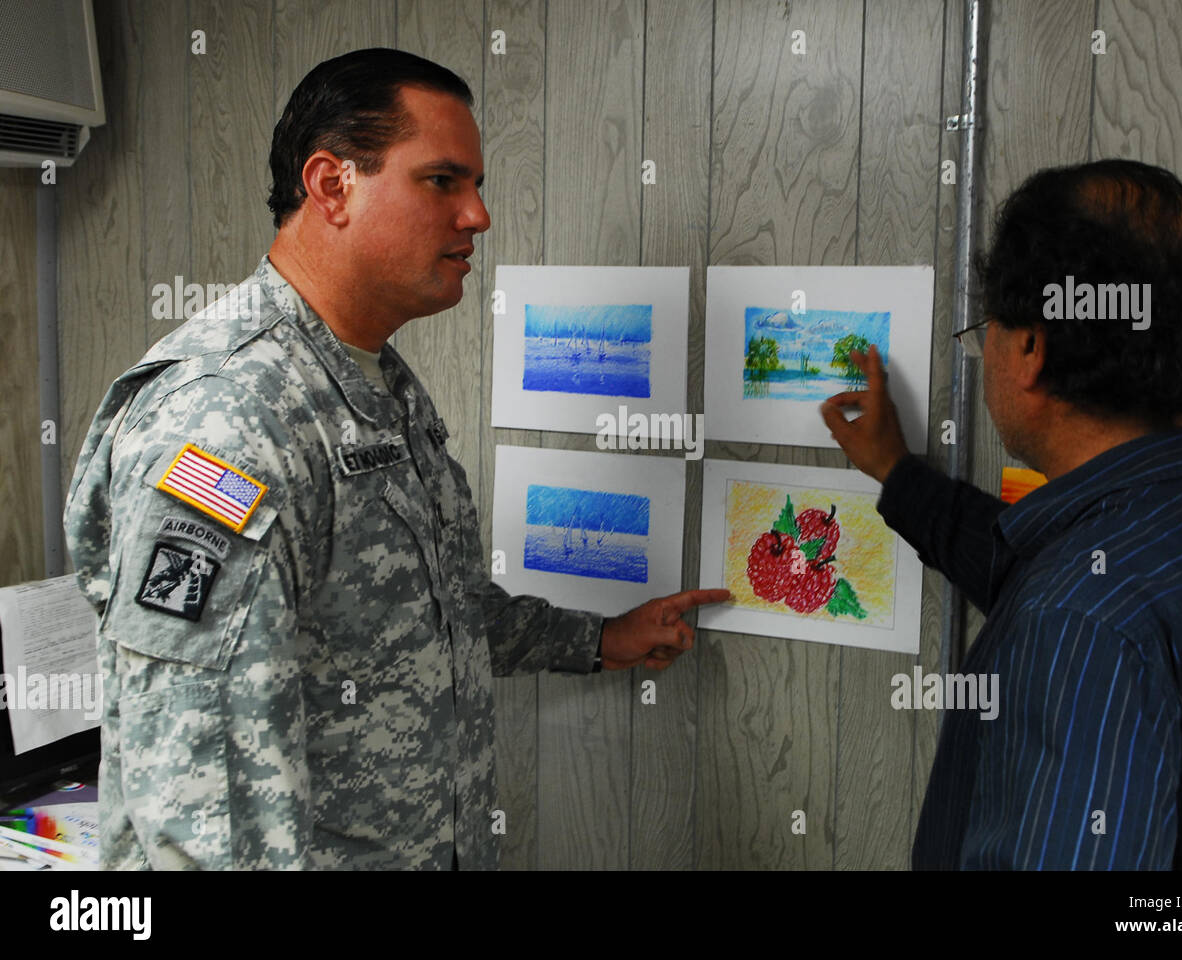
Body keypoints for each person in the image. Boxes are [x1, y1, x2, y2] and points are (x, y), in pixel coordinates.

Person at [63, 47, 727, 871]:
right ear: (332, 185)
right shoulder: (228, 418)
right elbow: (195, 794)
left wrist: (597, 638)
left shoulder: (376, 379)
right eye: (443, 181)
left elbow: (422, 617)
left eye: (476, 185)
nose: (478, 215)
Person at [822, 159, 1182, 869]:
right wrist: (898, 474)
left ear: (1031, 348)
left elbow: (1079, 607)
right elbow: (1041, 567)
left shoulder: (1081, 616)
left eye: (988, 329)